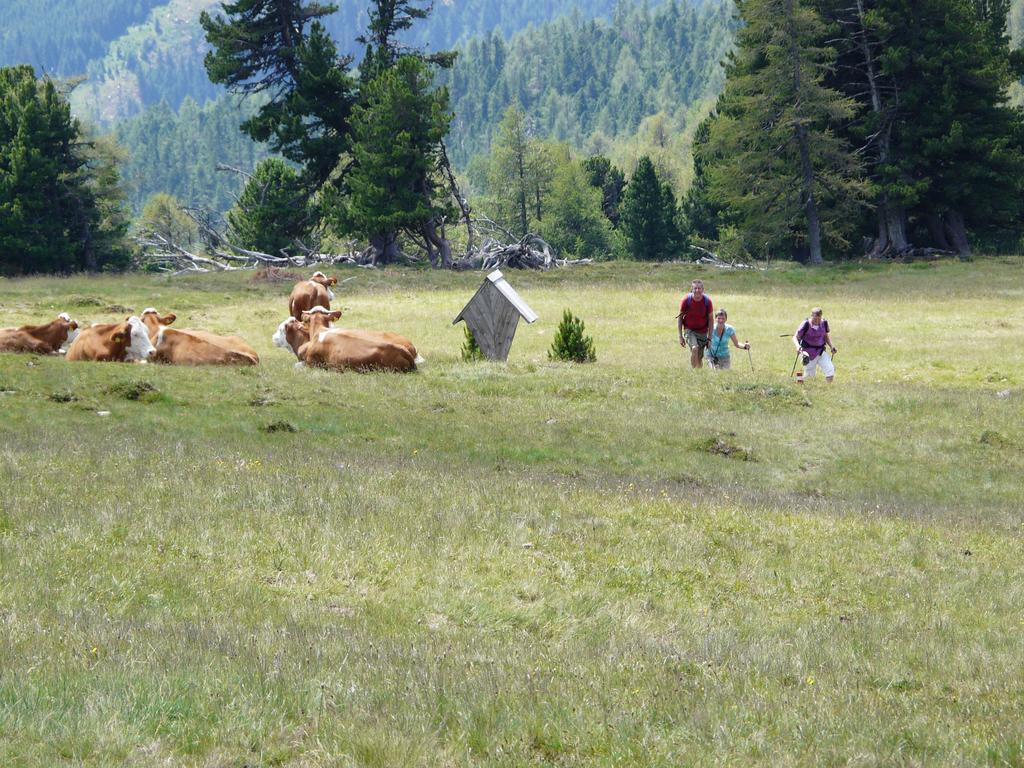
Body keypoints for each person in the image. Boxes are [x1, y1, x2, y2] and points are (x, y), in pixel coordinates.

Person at [793, 307, 837, 382]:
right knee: (810, 377)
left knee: (830, 369)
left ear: (821, 317)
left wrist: (831, 346)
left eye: (819, 319)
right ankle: (800, 384)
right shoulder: (805, 324)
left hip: (820, 351)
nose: (817, 321)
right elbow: (795, 337)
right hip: (807, 353)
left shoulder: (824, 323)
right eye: (815, 319)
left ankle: (829, 388)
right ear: (811, 316)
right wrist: (798, 347)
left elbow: (825, 336)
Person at [677, 279, 713, 369]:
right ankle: (694, 372)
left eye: (699, 288)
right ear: (691, 289)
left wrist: (709, 338)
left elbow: (711, 320)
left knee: (699, 358)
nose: (697, 290)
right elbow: (680, 318)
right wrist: (680, 336)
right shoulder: (686, 300)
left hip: (703, 331)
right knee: (694, 348)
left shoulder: (707, 301)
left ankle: (698, 373)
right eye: (695, 288)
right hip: (689, 330)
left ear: (703, 289)